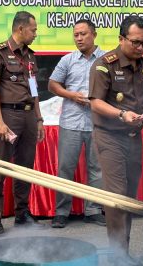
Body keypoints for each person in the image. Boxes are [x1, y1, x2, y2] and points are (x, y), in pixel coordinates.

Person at [89, 15, 143, 266]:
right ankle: (118, 256)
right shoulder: (104, 65)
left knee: (129, 195)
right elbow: (95, 102)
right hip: (110, 136)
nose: (140, 48)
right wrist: (121, 114)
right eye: (135, 42)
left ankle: (123, 252)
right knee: (117, 196)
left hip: (134, 137)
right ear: (121, 39)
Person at [0, 11, 46, 236]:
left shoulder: (30, 56)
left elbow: (34, 89)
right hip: (8, 115)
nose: (35, 34)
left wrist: (39, 119)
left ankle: (22, 214)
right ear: (20, 29)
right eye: (33, 30)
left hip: (29, 116)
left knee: (25, 167)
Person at [49, 19, 106, 229]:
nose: (79, 38)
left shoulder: (107, 59)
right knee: (65, 168)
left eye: (83, 34)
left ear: (94, 35)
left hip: (98, 124)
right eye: (76, 35)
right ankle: (61, 212)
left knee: (96, 169)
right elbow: (53, 84)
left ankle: (92, 210)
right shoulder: (67, 60)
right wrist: (71, 95)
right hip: (71, 122)